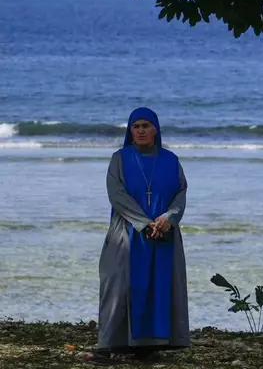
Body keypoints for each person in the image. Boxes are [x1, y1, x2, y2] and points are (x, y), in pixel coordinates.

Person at [92, 107, 190, 364]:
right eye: (136, 126)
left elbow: (181, 194)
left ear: (155, 129)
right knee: (119, 286)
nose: (141, 130)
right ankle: (110, 344)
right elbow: (117, 195)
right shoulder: (120, 159)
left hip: (164, 235)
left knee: (159, 286)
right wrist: (145, 224)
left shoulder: (171, 160)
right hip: (127, 232)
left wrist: (168, 219)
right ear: (130, 131)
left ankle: (148, 345)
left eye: (146, 125)